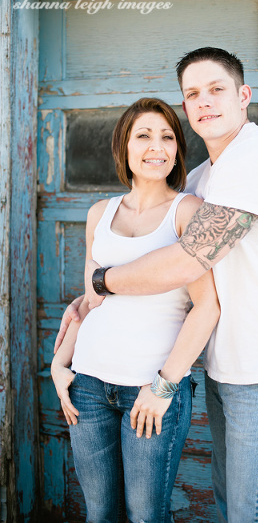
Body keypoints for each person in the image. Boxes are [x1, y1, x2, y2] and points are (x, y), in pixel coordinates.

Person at [55, 47, 258, 522]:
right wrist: (79, 321)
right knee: (230, 504)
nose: (205, 102)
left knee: (252, 514)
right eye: (192, 94)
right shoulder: (203, 177)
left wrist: (102, 280)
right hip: (223, 365)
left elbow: (189, 260)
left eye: (217, 89)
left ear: (244, 95)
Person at [51, 97, 220, 521]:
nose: (156, 146)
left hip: (151, 391)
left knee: (147, 516)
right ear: (124, 147)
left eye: (167, 137)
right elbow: (91, 302)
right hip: (87, 388)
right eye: (143, 135)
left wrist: (164, 389)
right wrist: (58, 364)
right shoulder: (99, 214)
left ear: (178, 149)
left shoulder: (187, 212)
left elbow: (207, 308)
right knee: (99, 514)